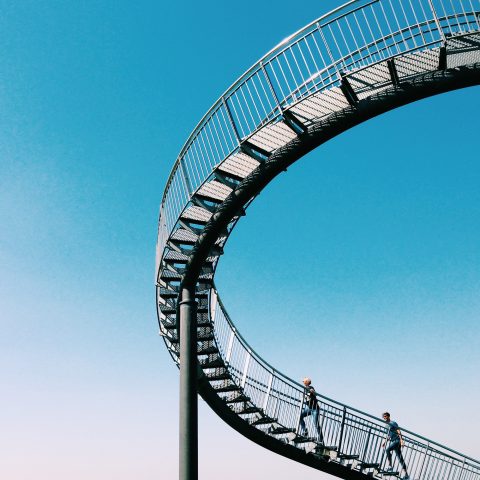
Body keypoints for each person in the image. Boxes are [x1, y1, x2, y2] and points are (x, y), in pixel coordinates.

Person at [382, 412, 409, 480]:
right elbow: (389, 435)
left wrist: (401, 441)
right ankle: (406, 475)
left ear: (388, 416)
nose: (384, 418)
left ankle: (390, 466)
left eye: (385, 416)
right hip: (393, 441)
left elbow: (399, 431)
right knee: (400, 459)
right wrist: (385, 441)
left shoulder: (393, 423)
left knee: (387, 450)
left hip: (397, 441)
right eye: (383, 417)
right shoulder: (386, 425)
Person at [298, 377, 324, 443]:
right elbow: (305, 397)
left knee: (316, 424)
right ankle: (304, 431)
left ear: (306, 382)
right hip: (308, 408)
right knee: (300, 417)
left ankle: (321, 439)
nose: (303, 382)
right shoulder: (304, 389)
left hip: (315, 409)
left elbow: (314, 392)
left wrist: (313, 392)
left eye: (304, 381)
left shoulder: (310, 387)